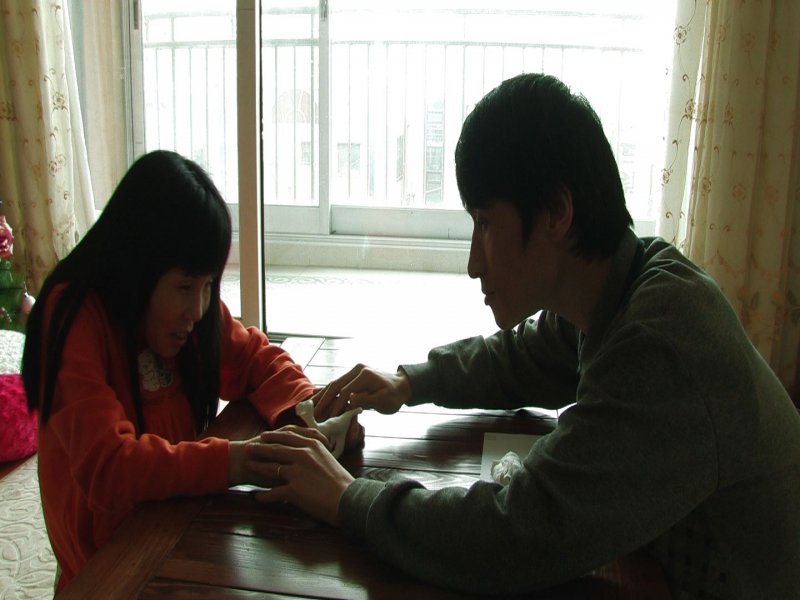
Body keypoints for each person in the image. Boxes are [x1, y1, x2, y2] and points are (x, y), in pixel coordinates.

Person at [245, 73, 800, 598]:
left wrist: (347, 498)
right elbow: (525, 358)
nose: (473, 263)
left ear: (557, 211)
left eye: (486, 223)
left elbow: (516, 538)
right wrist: (410, 382)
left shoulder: (661, 345)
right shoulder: (626, 282)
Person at [21, 150, 330, 592]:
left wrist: (311, 411)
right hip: (106, 572)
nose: (198, 309)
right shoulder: (74, 318)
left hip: (176, 528)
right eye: (185, 286)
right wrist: (235, 461)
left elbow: (255, 358)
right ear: (137, 266)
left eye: (208, 286)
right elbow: (109, 468)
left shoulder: (189, 312)